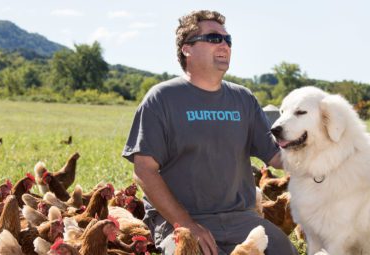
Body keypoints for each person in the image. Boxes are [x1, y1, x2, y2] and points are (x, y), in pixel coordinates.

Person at [122, 10, 299, 255]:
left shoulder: (243, 99)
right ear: (187, 49)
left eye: (228, 40)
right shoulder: (162, 98)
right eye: (214, 38)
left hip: (242, 220)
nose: (225, 45)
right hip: (181, 222)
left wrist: (321, 151)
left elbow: (277, 157)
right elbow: (143, 170)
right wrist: (187, 223)